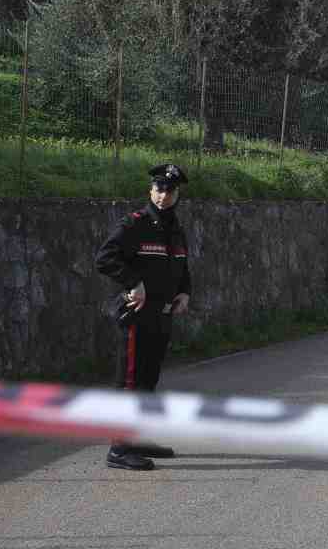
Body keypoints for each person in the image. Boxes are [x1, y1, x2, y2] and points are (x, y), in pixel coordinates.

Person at [95, 162, 192, 470]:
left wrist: (185, 292)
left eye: (170, 190)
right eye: (159, 189)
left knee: (148, 381)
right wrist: (133, 283)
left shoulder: (176, 229)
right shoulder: (134, 224)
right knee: (130, 381)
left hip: (162, 317)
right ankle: (119, 449)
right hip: (137, 315)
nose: (164, 195)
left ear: (178, 194)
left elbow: (181, 268)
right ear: (151, 190)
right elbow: (105, 258)